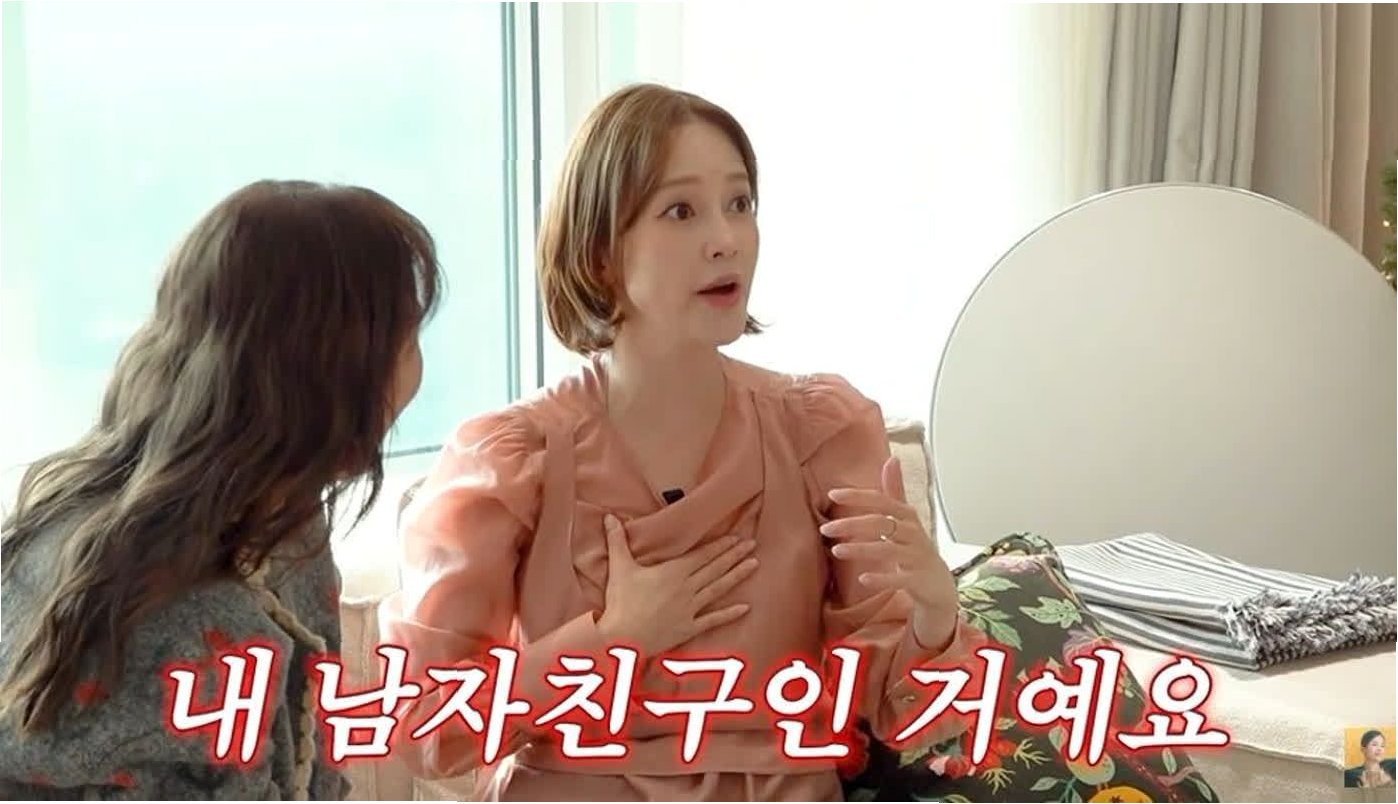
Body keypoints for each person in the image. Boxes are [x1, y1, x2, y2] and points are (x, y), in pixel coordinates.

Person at [380, 82, 989, 802]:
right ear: (601, 252)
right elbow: (424, 727)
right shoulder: (513, 458)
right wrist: (613, 639)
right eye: (681, 210)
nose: (726, 238)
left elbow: (908, 714)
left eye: (740, 203)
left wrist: (935, 612)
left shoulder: (820, 430)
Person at [0, 179, 443, 800]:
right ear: (336, 373)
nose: (417, 365)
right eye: (409, 337)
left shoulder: (280, 524)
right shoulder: (198, 618)